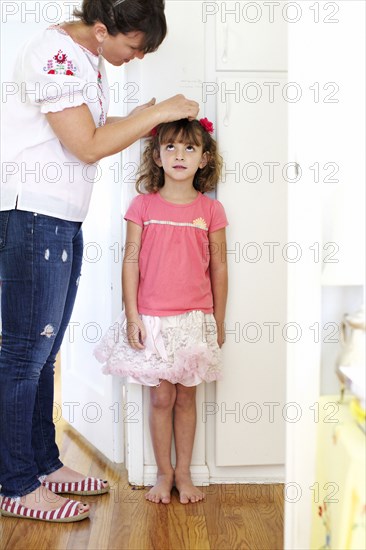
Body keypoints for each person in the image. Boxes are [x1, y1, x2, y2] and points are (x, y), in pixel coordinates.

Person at [0, 0, 199, 523]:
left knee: (44, 355)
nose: (134, 59)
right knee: (24, 356)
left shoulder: (85, 58)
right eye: (133, 47)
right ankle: (16, 483)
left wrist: (137, 117)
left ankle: (44, 463)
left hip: (61, 219)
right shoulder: (53, 53)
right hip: (33, 217)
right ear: (104, 28)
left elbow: (92, 126)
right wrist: (152, 115)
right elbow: (86, 145)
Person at [94, 117, 228, 504]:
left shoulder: (211, 211)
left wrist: (217, 320)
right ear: (157, 156)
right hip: (152, 318)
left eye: (189, 148)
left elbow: (219, 267)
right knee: (161, 398)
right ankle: (162, 473)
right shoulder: (142, 206)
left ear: (204, 159)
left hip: (193, 319)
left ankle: (184, 473)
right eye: (170, 147)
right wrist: (132, 315)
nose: (179, 155)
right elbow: (130, 261)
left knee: (187, 398)